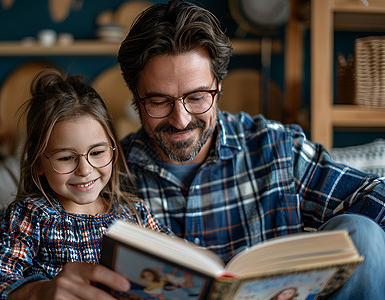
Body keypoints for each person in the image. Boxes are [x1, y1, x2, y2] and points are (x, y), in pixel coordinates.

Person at [116, 0, 385, 299]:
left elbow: (376, 198)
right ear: (136, 96)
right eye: (158, 101)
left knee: (364, 233)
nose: (181, 120)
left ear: (218, 86)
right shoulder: (106, 171)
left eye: (197, 97)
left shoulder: (276, 149)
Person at [0, 69, 172, 299]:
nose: (85, 170)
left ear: (114, 151)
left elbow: (180, 259)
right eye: (66, 158)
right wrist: (40, 292)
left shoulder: (136, 214)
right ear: (38, 164)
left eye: (97, 152)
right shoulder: (34, 216)